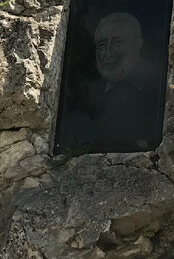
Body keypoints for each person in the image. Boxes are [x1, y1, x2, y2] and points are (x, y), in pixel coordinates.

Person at [57, 10, 164, 152]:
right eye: (101, 45)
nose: (108, 52)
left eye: (117, 42)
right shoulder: (82, 96)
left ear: (137, 45)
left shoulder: (152, 98)